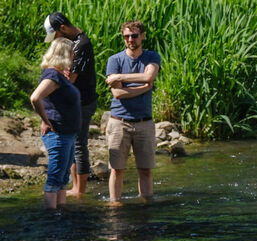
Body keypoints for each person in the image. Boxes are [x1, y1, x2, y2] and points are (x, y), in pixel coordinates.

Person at [105, 20, 161, 202]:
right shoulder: (114, 60)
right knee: (117, 169)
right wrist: (145, 87)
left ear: (142, 36)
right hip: (119, 121)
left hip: (144, 122)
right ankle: (115, 205)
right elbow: (118, 93)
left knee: (145, 169)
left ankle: (146, 203)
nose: (130, 39)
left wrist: (120, 76)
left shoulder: (152, 57)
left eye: (134, 35)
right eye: (127, 36)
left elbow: (149, 75)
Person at [43, 12, 97, 197]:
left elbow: (69, 78)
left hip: (82, 102)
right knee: (73, 144)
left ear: (63, 28)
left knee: (79, 144)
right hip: (74, 101)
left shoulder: (81, 45)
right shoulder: (77, 42)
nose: (54, 41)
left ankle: (80, 190)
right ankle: (74, 186)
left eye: (55, 36)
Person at [30, 38, 81, 210]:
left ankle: (61, 211)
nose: (74, 56)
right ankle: (51, 217)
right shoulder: (52, 75)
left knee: (63, 176)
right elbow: (36, 97)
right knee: (55, 176)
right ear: (65, 54)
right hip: (58, 133)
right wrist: (45, 120)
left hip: (68, 133)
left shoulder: (58, 75)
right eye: (72, 53)